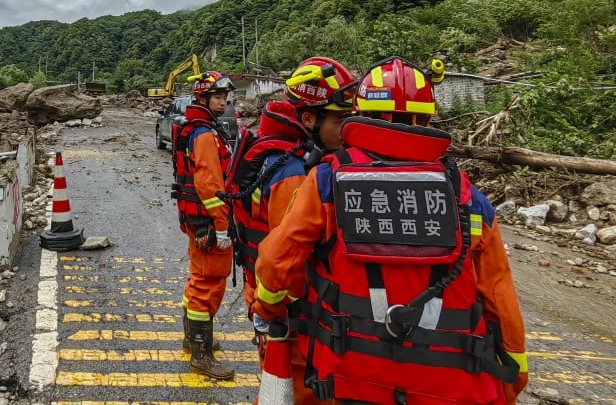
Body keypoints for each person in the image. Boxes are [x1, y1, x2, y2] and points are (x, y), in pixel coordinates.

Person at [254, 56, 528, 405]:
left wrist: (268, 310)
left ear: (360, 114)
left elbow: (275, 263)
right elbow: (501, 306)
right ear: (429, 117)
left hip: (344, 381)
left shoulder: (327, 181)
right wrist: (509, 381)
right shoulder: (467, 198)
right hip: (448, 389)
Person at [227, 56, 356, 404]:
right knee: (290, 393)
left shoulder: (273, 150)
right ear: (310, 118)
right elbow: (286, 262)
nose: (348, 131)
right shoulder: (294, 171)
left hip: (268, 302)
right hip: (292, 320)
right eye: (341, 120)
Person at [170, 70, 237, 379]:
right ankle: (201, 355)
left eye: (225, 97)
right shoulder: (205, 135)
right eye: (218, 97)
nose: (223, 102)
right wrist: (222, 226)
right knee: (208, 283)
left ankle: (192, 339)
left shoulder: (192, 128)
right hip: (209, 224)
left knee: (197, 279)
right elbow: (210, 185)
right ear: (203, 98)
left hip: (195, 221)